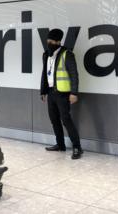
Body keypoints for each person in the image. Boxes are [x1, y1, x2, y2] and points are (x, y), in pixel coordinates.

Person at [40, 29, 83, 159]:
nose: (49, 43)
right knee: (54, 120)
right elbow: (44, 73)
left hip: (63, 93)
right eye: (48, 41)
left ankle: (77, 147)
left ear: (58, 42)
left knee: (66, 120)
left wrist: (74, 92)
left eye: (51, 41)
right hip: (51, 93)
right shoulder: (46, 54)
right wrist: (43, 91)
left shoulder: (67, 54)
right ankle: (60, 145)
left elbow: (74, 74)